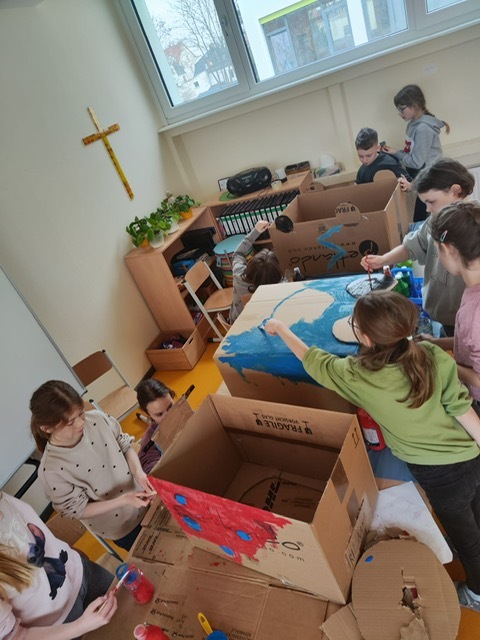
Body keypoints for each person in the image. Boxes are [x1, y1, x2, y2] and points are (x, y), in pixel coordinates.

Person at [264, 290, 480, 611]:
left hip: (438, 475)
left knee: (468, 540)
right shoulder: (430, 355)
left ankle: (476, 593)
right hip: (470, 457)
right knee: (474, 512)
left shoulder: (358, 375)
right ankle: (467, 547)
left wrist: (281, 328)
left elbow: (312, 360)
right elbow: (464, 413)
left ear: (365, 338)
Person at [30, 380, 156, 551]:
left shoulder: (97, 419)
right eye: (70, 423)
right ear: (47, 428)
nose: (80, 423)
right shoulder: (51, 470)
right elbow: (79, 509)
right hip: (122, 527)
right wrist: (124, 500)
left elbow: (124, 445)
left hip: (145, 500)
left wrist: (139, 474)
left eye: (80, 413)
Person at [360, 159, 475, 335]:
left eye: (431, 201)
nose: (427, 209)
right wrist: (383, 260)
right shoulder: (435, 220)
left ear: (455, 191)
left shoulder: (474, 226)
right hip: (442, 313)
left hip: (467, 319)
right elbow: (412, 245)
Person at [0, 491, 117, 639]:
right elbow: (17, 636)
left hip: (82, 572)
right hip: (58, 627)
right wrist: (81, 625)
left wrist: (69, 553)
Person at [424, 202, 480, 416]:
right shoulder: (472, 290)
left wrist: (443, 364)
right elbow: (470, 342)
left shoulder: (474, 312)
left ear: (447, 249)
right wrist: (437, 343)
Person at [382, 85, 450, 222]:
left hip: (430, 180)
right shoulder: (412, 124)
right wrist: (395, 152)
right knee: (421, 220)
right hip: (422, 177)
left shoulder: (423, 129)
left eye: (402, 109)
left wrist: (397, 153)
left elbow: (416, 162)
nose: (400, 113)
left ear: (415, 106)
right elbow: (411, 153)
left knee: (423, 221)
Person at [230, 220, 284, 323]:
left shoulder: (238, 275)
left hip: (239, 324)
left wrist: (256, 231)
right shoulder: (279, 287)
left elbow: (238, 253)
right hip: (268, 325)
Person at [136, 379, 176, 473]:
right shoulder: (149, 441)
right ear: (148, 414)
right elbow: (151, 470)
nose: (169, 416)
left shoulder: (183, 411)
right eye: (160, 414)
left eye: (170, 406)